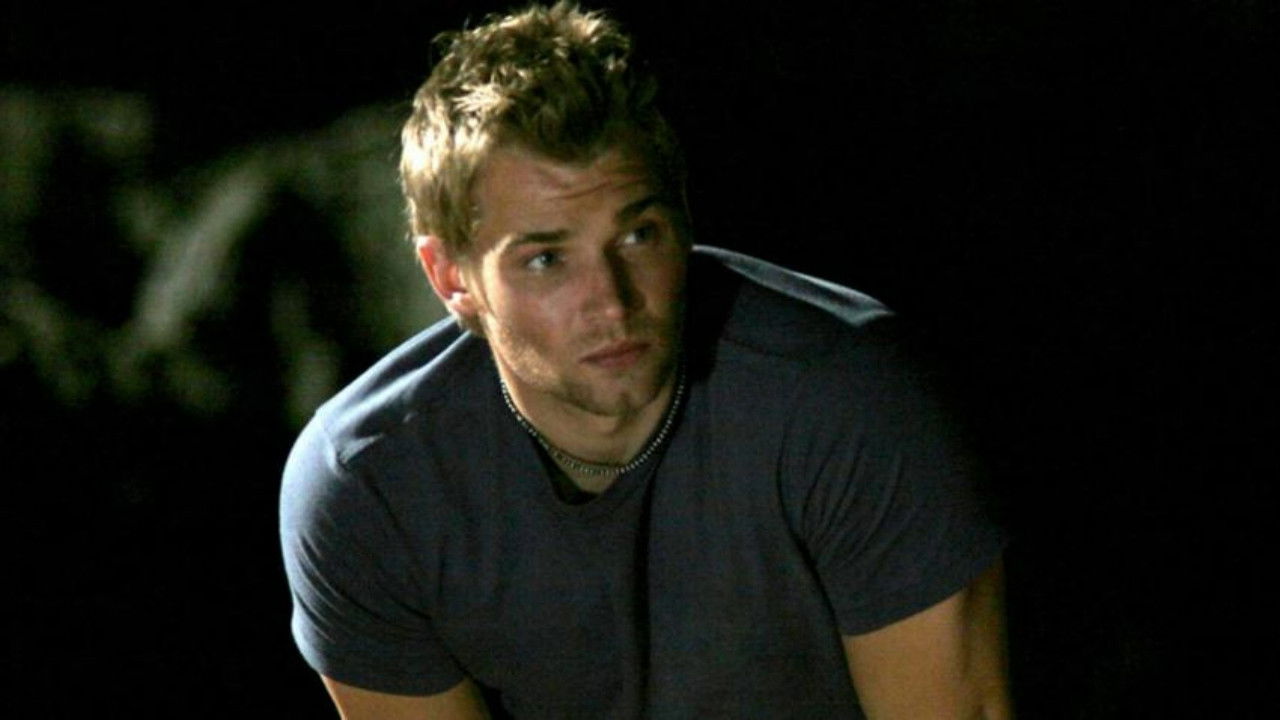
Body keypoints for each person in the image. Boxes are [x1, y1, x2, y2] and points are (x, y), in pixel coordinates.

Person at [280, 3, 1011, 718]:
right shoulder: (369, 486)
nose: (612, 301)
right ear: (451, 278)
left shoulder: (846, 402)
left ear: (683, 218)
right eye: (546, 259)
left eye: (638, 235)